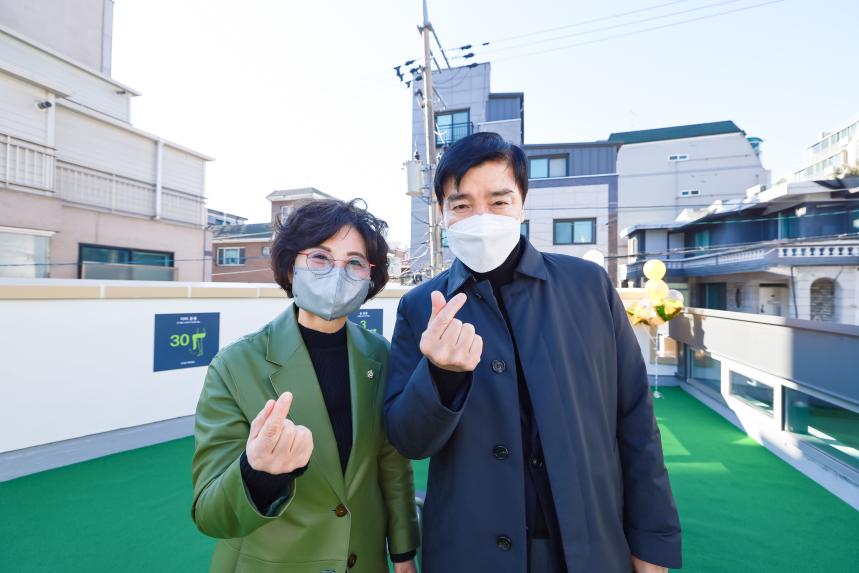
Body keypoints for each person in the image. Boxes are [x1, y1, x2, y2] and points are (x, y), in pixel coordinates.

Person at [384, 132, 681, 572]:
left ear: (522, 204)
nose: (480, 217)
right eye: (461, 205)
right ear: (442, 213)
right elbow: (407, 439)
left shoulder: (588, 287)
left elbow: (635, 419)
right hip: (470, 551)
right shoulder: (420, 307)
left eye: (498, 201)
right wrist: (440, 376)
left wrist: (651, 542)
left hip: (588, 542)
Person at [192, 199, 419, 573]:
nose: (337, 273)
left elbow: (390, 463)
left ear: (370, 278)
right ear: (290, 266)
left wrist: (404, 551)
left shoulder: (380, 354)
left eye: (355, 262)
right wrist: (256, 473)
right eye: (320, 257)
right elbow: (210, 514)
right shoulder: (234, 366)